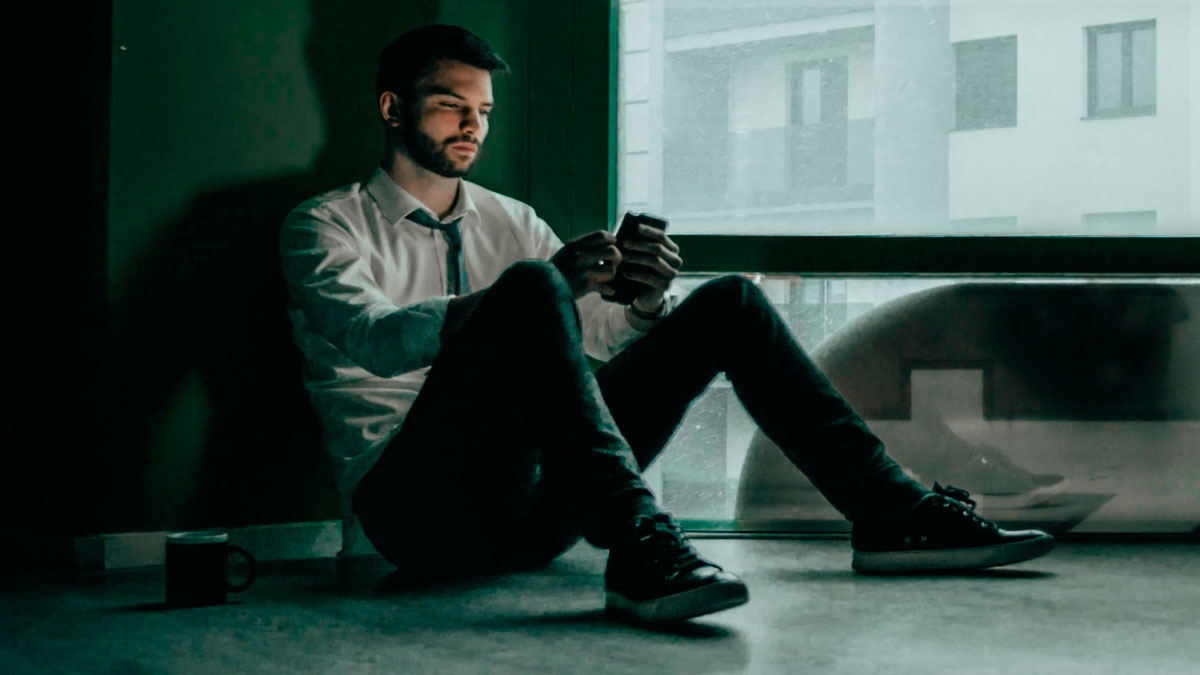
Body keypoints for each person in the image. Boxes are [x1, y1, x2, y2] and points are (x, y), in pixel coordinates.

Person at [280, 25, 1054, 624]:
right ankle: (639, 542)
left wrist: (643, 301)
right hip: (412, 516)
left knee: (728, 303)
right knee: (525, 290)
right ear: (393, 108)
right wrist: (527, 294)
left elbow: (590, 345)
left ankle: (893, 511)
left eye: (482, 111)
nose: (472, 126)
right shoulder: (325, 226)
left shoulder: (512, 222)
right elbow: (372, 340)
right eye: (451, 105)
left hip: (538, 513)